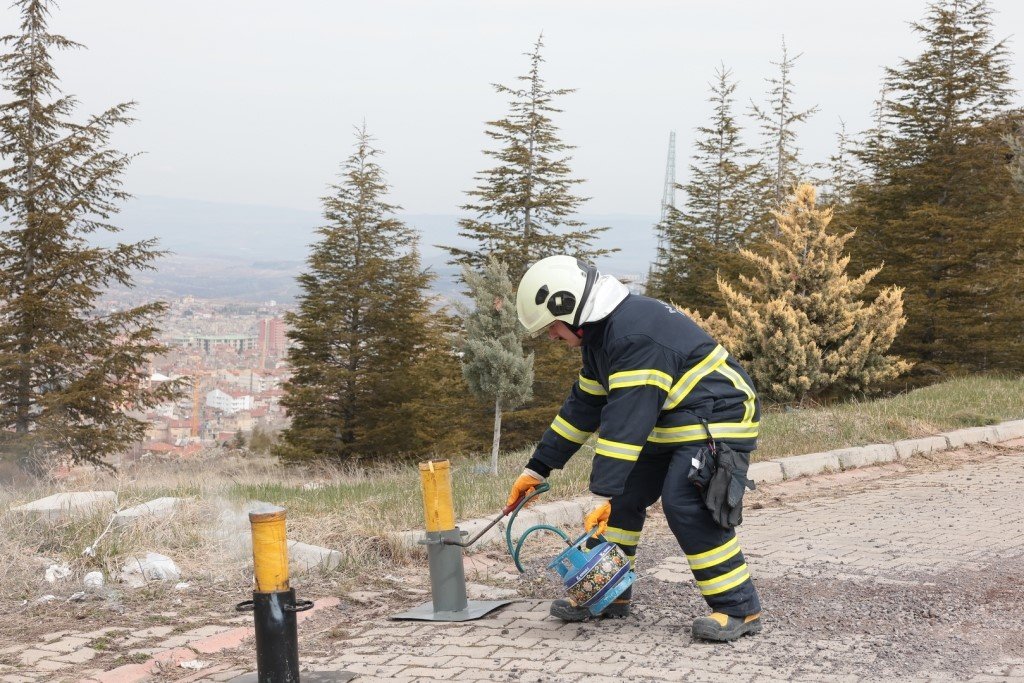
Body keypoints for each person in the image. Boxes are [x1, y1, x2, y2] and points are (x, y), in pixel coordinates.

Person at [507, 255, 763, 642]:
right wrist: (536, 469)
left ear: (571, 308)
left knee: (685, 500)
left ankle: (738, 608)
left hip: (719, 416)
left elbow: (625, 424)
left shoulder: (633, 336)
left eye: (552, 326)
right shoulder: (602, 338)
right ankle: (610, 593)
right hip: (673, 419)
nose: (551, 336)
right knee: (623, 498)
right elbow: (583, 408)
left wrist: (602, 495)